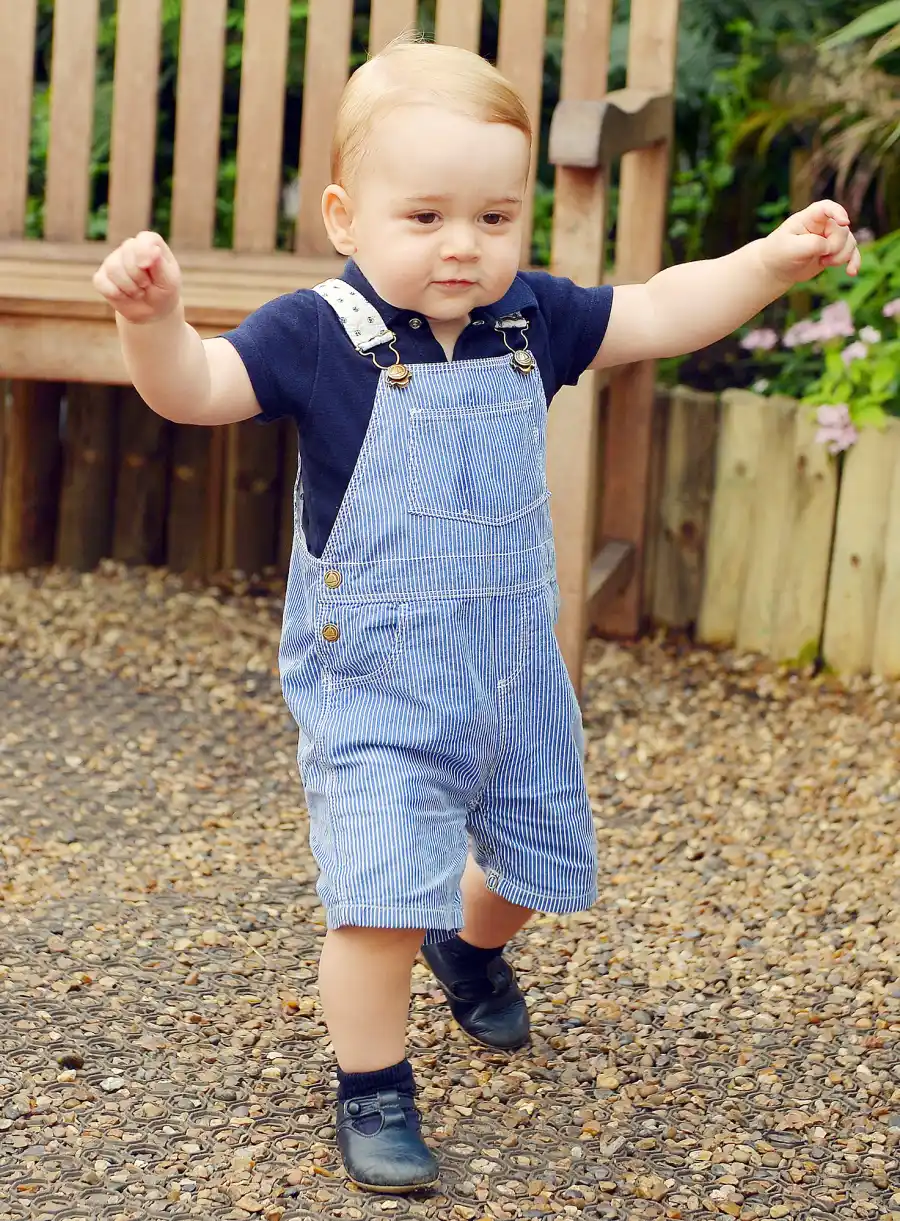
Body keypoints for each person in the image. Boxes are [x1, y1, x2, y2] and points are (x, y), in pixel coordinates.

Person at [93, 35, 860, 1196]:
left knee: (536, 860)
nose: (466, 246)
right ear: (347, 218)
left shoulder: (530, 320)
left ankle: (472, 945)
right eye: (428, 218)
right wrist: (153, 322)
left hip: (510, 664)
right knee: (378, 898)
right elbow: (193, 391)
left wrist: (763, 262)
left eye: (496, 219)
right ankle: (373, 1088)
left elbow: (657, 309)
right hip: (378, 680)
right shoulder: (316, 334)